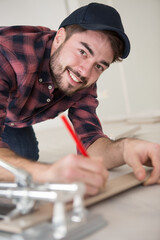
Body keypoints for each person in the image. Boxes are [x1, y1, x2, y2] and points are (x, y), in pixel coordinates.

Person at [0, 3, 159, 195]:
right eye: (83, 52)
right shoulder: (8, 57)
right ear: (59, 38)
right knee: (21, 167)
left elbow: (91, 145)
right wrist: (48, 172)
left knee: (23, 158)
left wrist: (125, 148)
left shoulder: (84, 80)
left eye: (99, 66)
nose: (84, 72)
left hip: (11, 115)